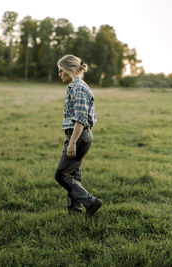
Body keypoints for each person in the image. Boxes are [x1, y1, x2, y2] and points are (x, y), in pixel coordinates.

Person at [54, 54, 102, 217]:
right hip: (78, 135)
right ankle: (74, 212)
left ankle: (91, 202)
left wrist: (73, 142)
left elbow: (80, 119)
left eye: (61, 71)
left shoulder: (80, 88)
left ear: (70, 69)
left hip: (79, 136)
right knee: (73, 173)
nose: (59, 74)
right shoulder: (74, 87)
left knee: (61, 175)